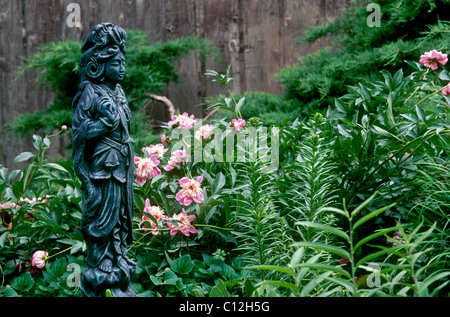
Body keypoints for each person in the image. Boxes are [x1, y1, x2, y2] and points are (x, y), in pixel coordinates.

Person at [72, 23, 136, 297]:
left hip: (122, 164)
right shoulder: (90, 92)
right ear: (99, 64)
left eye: (123, 62)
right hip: (104, 166)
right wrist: (104, 124)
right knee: (103, 216)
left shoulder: (118, 92)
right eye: (116, 63)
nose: (121, 68)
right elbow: (80, 132)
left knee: (121, 215)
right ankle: (102, 264)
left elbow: (125, 127)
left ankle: (119, 257)